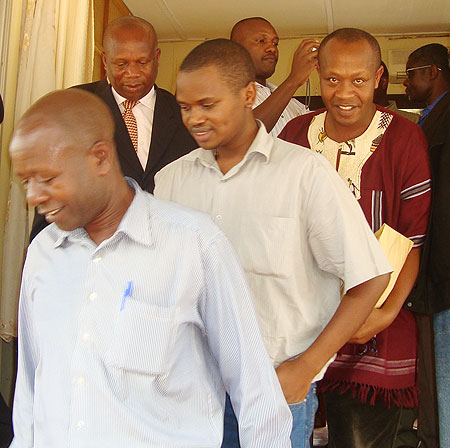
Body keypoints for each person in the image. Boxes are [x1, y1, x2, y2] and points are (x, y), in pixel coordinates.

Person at [9, 89, 293, 448]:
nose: (33, 197)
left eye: (47, 179)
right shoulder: (42, 254)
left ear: (100, 157)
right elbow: (32, 387)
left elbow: (255, 393)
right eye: (26, 181)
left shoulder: (194, 244)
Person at [154, 38, 392, 447]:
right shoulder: (171, 180)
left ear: (248, 95)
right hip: (191, 391)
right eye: (184, 106)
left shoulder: (304, 174)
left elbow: (369, 278)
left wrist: (307, 367)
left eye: (207, 104)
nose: (194, 118)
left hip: (276, 390)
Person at [279, 28, 431, 448]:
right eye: (332, 79)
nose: (344, 92)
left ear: (379, 77)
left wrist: (384, 315)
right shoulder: (294, 136)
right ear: (318, 74)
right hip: (300, 324)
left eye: (359, 80)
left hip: (374, 328)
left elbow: (413, 239)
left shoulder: (404, 138)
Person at [30, 16, 197, 240]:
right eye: (121, 64)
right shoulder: (74, 105)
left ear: (157, 58)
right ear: (105, 60)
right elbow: (50, 184)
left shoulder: (183, 113)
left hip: (167, 249)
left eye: (142, 62)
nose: (133, 73)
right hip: (90, 249)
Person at [405, 43, 450, 448]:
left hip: (442, 270)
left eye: (412, 72)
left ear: (433, 71)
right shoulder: (426, 121)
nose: (406, 81)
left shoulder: (445, 122)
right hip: (429, 272)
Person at [230, 17, 318, 136]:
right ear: (235, 49)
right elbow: (244, 135)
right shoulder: (226, 93)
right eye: (261, 41)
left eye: (275, 43)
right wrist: (293, 80)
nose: (272, 48)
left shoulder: (292, 103)